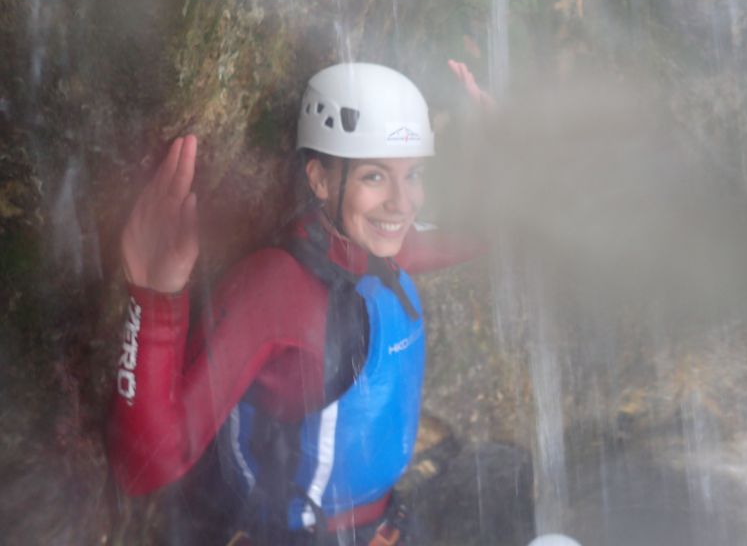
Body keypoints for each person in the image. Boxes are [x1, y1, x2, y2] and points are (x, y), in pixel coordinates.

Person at [107, 62, 484, 545]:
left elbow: (482, 231)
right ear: (321, 180)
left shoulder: (380, 249)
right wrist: (156, 300)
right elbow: (145, 466)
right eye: (374, 176)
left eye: (412, 175)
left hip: (377, 526)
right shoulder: (277, 289)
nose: (403, 203)